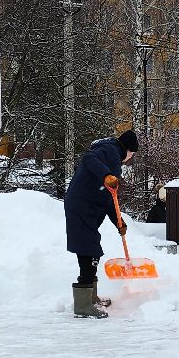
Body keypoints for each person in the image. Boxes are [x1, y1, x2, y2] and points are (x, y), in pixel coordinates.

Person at [63, 130, 137, 319]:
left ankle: (90, 297)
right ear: (128, 150)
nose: (130, 159)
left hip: (86, 206)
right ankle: (83, 305)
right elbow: (88, 159)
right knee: (89, 250)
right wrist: (106, 175)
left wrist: (118, 222)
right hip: (82, 206)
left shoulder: (112, 158)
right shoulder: (110, 150)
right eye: (132, 155)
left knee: (90, 249)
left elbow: (109, 198)